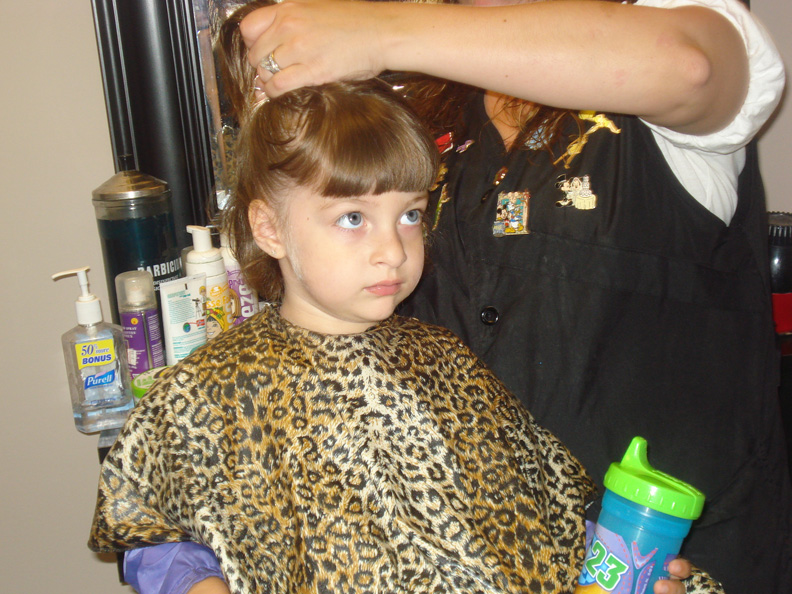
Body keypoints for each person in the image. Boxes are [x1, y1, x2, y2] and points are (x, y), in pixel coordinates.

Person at [122, 0, 792, 592]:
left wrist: (377, 30)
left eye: (411, 216)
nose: (391, 251)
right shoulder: (415, 114)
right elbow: (160, 516)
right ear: (268, 227)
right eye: (355, 219)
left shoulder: (660, 38)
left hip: (666, 544)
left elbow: (691, 66)